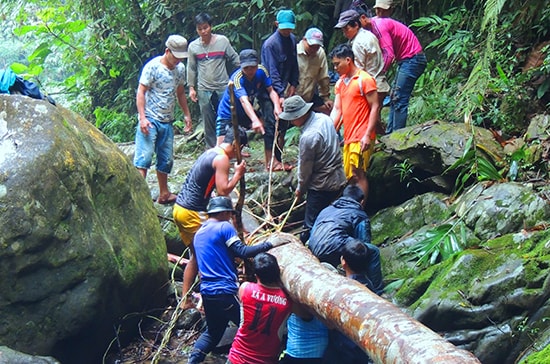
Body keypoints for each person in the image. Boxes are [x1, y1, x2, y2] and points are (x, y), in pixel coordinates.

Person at [188, 197, 287, 364]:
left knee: (212, 333)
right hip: (225, 291)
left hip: (207, 292)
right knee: (250, 327)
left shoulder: (199, 233)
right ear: (225, 212)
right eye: (230, 214)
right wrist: (270, 244)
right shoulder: (224, 227)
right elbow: (242, 251)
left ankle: (192, 361)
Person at [173, 126, 247, 310]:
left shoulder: (212, 152)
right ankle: (208, 299)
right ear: (237, 144)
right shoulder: (221, 159)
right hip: (191, 211)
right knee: (209, 253)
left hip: (180, 209)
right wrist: (237, 175)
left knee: (197, 256)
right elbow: (223, 191)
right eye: (242, 148)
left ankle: (186, 300)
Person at [278, 95, 346, 243]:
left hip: (321, 185)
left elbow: (305, 169)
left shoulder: (309, 136)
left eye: (291, 117)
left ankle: (309, 249)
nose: (290, 121)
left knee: (311, 224)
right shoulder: (324, 119)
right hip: (339, 178)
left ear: (300, 115)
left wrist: (300, 188)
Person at [134, 35, 193, 204]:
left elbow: (180, 92)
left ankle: (164, 193)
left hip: (168, 120)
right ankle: (139, 197)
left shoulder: (180, 69)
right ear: (167, 51)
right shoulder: (152, 67)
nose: (178, 60)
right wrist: (143, 118)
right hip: (150, 119)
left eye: (181, 57)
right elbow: (141, 92)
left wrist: (186, 114)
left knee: (166, 159)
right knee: (144, 158)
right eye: (176, 57)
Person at [360, 0, 427, 133]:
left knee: (399, 98)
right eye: (378, 10)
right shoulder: (375, 22)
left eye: (383, 10)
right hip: (407, 59)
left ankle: (397, 137)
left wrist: (380, 72)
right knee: (395, 97)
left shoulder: (380, 25)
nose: (380, 12)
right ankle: (391, 135)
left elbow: (389, 54)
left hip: (412, 59)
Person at [308, 184, 383, 295]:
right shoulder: (359, 215)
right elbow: (361, 246)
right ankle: (378, 291)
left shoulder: (326, 210)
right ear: (361, 201)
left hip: (313, 247)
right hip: (334, 245)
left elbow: (313, 231)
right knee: (373, 251)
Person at [227, 252, 292, 364]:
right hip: (265, 360)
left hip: (237, 356)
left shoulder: (245, 288)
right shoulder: (287, 300)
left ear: (256, 276)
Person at [187, 13, 240, 148]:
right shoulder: (193, 46)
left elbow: (235, 59)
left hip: (223, 86)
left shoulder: (222, 41)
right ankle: (211, 149)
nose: (203, 31)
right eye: (200, 29)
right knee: (208, 119)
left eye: (205, 27)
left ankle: (231, 147)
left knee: (227, 116)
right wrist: (191, 88)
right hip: (204, 88)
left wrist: (239, 77)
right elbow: (191, 68)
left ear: (211, 26)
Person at [329, 43, 380, 179]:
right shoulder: (340, 83)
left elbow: (375, 106)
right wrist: (328, 130)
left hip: (361, 135)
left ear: (348, 60)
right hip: (349, 137)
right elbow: (337, 109)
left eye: (337, 64)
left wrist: (368, 135)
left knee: (358, 174)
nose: (335, 68)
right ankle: (355, 201)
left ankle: (360, 201)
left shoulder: (365, 79)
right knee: (350, 176)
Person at [335, 9, 389, 134]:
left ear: (355, 25)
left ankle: (372, 142)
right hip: (378, 82)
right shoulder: (368, 35)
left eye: (346, 29)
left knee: (369, 118)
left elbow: (356, 69)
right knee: (374, 117)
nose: (344, 33)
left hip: (370, 86)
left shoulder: (358, 43)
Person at [260, 9, 299, 172]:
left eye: (290, 28)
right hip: (269, 91)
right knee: (270, 126)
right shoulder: (270, 44)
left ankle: (278, 158)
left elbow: (294, 64)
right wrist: (280, 94)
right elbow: (272, 72)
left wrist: (294, 85)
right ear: (276, 25)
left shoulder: (292, 40)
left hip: (285, 90)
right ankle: (270, 162)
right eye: (284, 28)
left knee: (283, 125)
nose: (287, 31)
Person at [324, 239, 374, 364]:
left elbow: (330, 323)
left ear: (343, 261)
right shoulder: (369, 285)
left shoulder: (343, 291)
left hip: (343, 346)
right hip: (362, 347)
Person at [215, 49, 279, 145]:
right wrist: (255, 120)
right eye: (246, 68)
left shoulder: (262, 71)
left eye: (252, 67)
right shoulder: (237, 78)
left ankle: (270, 155)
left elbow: (271, 90)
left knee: (268, 125)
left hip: (245, 113)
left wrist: (277, 106)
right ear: (241, 66)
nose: (250, 71)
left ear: (257, 64)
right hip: (227, 113)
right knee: (221, 147)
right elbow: (244, 101)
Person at [296, 28, 333, 115]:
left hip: (309, 97)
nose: (314, 49)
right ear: (304, 40)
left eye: (317, 47)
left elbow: (323, 77)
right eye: (311, 46)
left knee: (328, 110)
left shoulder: (320, 53)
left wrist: (325, 97)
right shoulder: (294, 50)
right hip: (291, 97)